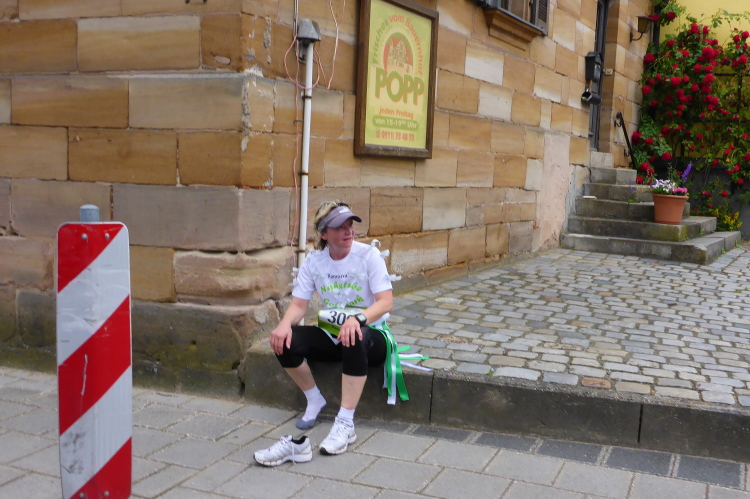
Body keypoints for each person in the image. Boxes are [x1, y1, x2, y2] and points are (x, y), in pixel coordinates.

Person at [254, 201, 396, 466]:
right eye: (339, 227)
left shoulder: (369, 256)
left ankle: (345, 424)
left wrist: (358, 319)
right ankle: (314, 399)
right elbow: (299, 305)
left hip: (372, 338)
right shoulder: (314, 261)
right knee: (285, 341)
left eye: (350, 225)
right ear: (323, 234)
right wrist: (284, 325)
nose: (348, 231)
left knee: (355, 335)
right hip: (334, 335)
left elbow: (386, 302)